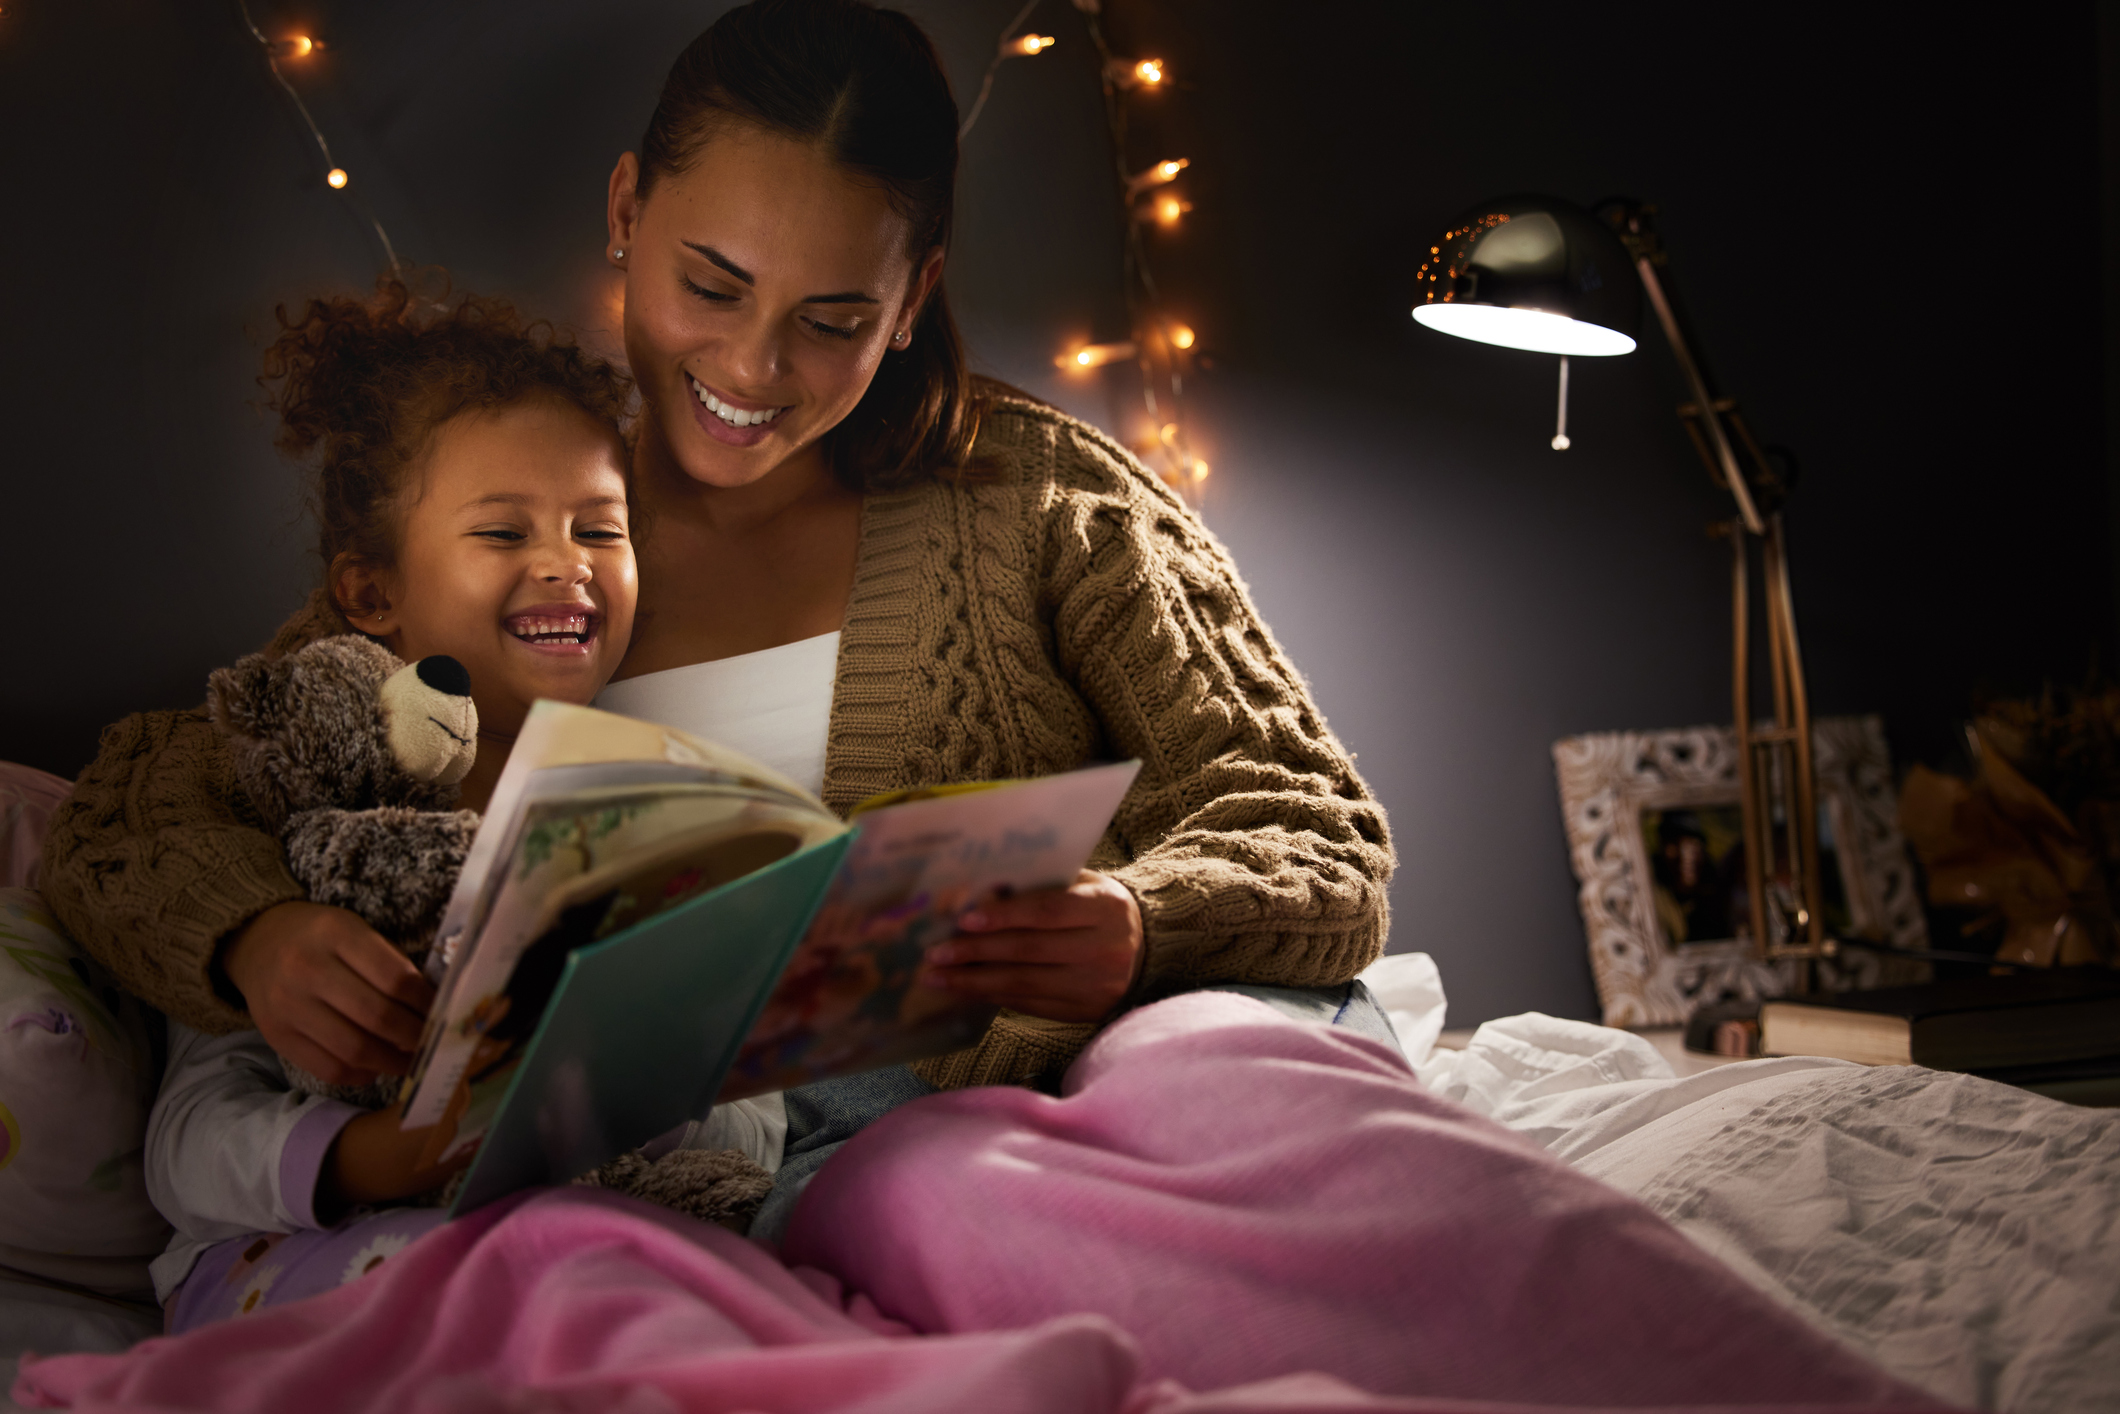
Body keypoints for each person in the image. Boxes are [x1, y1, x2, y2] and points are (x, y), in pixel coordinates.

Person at [42, 0, 1395, 1219]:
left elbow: (1314, 829)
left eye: (833, 318)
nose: (754, 367)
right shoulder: (520, 517)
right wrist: (253, 934)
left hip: (1068, 1103)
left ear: (913, 297)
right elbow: (140, 799)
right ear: (628, 208)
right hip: (744, 1184)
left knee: (1258, 1080)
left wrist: (1140, 919)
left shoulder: (1044, 503)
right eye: (713, 284)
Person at [142, 281, 648, 1322]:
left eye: (600, 528)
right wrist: (387, 1154)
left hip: (589, 1236)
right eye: (503, 534)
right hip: (316, 1258)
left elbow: (758, 1113)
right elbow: (184, 1146)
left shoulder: (644, 799)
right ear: (373, 594)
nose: (567, 563)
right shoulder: (299, 806)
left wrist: (670, 1096)